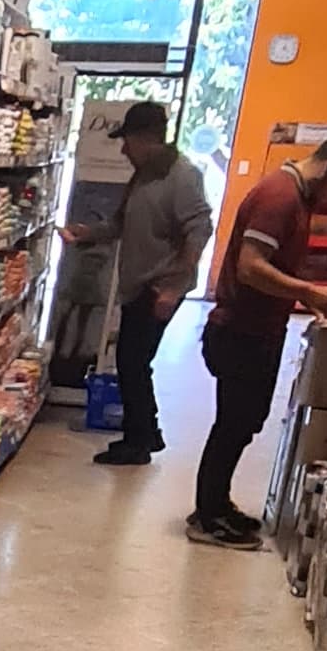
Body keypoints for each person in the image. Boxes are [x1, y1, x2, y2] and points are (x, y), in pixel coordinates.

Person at [189, 127, 327, 548]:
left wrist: (305, 297)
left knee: (243, 422)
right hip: (241, 331)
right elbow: (251, 267)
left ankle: (216, 503)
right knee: (234, 424)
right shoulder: (280, 198)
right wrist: (308, 291)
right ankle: (208, 516)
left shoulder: (292, 196)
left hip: (257, 330)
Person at [86, 100, 213, 468]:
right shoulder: (143, 175)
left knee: (133, 362)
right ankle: (145, 433)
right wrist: (87, 234)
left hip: (157, 287)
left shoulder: (182, 175)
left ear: (146, 139)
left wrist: (173, 288)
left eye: (127, 141)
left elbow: (199, 229)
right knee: (133, 362)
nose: (123, 150)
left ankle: (139, 442)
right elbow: (120, 224)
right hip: (140, 286)